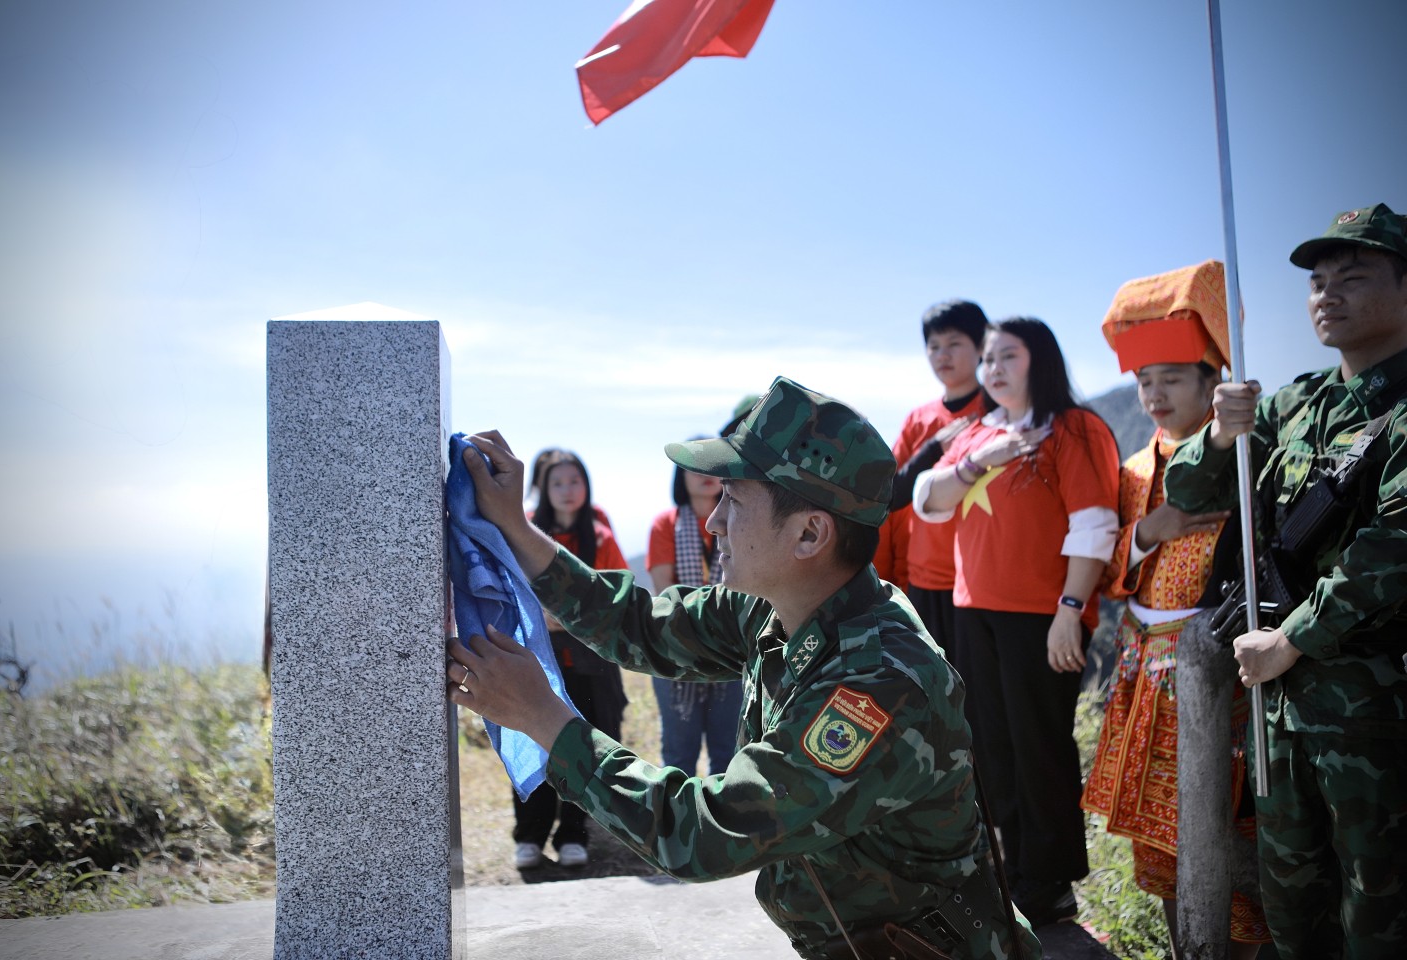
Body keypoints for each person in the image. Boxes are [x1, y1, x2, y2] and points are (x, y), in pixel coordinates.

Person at [450, 377, 1040, 960]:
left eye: (734, 500)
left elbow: (706, 833)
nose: (713, 522)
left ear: (810, 533)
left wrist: (542, 718)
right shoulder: (782, 605)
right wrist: (514, 527)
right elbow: (639, 625)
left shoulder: (879, 684)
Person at [1164, 203, 1407, 959]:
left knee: (1380, 903)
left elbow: (1392, 548)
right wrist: (1220, 433)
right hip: (1277, 701)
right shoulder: (1293, 405)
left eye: (1354, 276)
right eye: (1316, 282)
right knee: (1289, 899)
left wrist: (1293, 641)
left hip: (1373, 698)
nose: (1326, 295)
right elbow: (1188, 488)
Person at [1083, 260, 1268, 955]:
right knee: (1156, 839)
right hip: (1144, 674)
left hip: (1217, 673)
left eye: (1171, 379)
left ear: (1212, 381)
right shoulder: (1132, 470)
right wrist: (1144, 535)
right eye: (1143, 381)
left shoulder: (1250, 457)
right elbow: (1102, 569)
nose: (1154, 395)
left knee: (1228, 821)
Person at [912, 317, 1120, 927]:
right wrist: (983, 461)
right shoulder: (980, 432)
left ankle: (1051, 882)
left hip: (1043, 616)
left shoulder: (1074, 429)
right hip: (974, 611)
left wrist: (1071, 612)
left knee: (1039, 747)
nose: (992, 368)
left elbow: (1094, 526)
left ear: (1041, 360)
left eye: (1007, 356)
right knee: (993, 748)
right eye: (990, 359)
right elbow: (927, 500)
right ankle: (1015, 869)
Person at [511, 449, 629, 870]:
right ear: (542, 487)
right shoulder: (521, 530)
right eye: (557, 482)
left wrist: (571, 618)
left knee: (585, 746)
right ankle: (529, 835)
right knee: (534, 741)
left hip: (591, 662)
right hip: (537, 657)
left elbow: (619, 596)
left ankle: (574, 835)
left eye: (574, 481)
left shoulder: (600, 537)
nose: (567, 490)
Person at [873, 300, 991, 665]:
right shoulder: (918, 420)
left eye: (954, 343)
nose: (942, 355)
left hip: (983, 578)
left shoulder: (1000, 411)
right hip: (924, 576)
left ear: (982, 346)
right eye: (934, 346)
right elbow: (886, 494)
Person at [646, 441, 744, 775]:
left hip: (732, 652)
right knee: (678, 754)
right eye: (695, 467)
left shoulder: (744, 523)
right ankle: (676, 823)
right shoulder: (665, 524)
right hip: (676, 649)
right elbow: (665, 593)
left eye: (713, 467)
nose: (705, 476)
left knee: (729, 754)